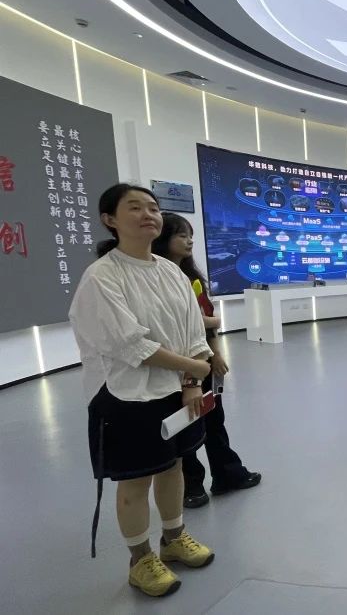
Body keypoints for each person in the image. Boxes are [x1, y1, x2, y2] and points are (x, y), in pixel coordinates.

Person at [69, 184, 215, 598]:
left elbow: (192, 329)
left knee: (172, 466)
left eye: (153, 207)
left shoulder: (170, 271)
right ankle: (140, 559)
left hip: (175, 390)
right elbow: (132, 346)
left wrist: (191, 384)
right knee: (136, 480)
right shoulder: (102, 277)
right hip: (125, 394)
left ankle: (174, 538)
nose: (148, 214)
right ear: (110, 220)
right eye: (134, 207)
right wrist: (195, 368)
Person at [152, 213, 261, 509]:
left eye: (190, 236)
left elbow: (205, 323)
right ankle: (192, 485)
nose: (189, 241)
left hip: (203, 360)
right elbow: (182, 321)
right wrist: (210, 321)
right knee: (183, 426)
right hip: (175, 364)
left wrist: (216, 353)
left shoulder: (193, 278)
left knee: (214, 420)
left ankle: (227, 474)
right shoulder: (155, 278)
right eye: (181, 235)